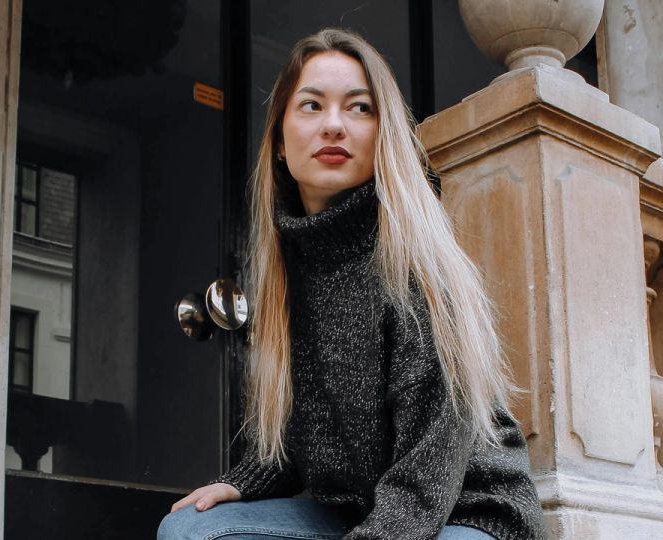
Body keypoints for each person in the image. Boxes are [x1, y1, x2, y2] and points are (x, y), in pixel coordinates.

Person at [157, 28, 545, 540]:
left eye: (359, 108)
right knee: (188, 532)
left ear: (382, 135)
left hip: (465, 512)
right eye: (312, 106)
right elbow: (305, 434)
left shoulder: (415, 266)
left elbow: (427, 472)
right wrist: (247, 480)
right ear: (277, 140)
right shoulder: (286, 276)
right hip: (356, 511)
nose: (334, 126)